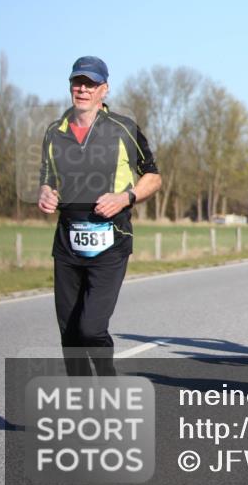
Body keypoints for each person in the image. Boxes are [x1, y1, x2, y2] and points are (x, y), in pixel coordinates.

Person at [37, 56, 162, 376]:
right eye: (77, 82)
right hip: (67, 242)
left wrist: (125, 197)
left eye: (90, 84)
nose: (82, 89)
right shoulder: (54, 132)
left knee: (91, 328)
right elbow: (47, 178)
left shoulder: (124, 128)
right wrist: (46, 192)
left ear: (104, 89)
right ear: (70, 86)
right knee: (70, 333)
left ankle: (106, 375)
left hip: (111, 240)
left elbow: (153, 177)